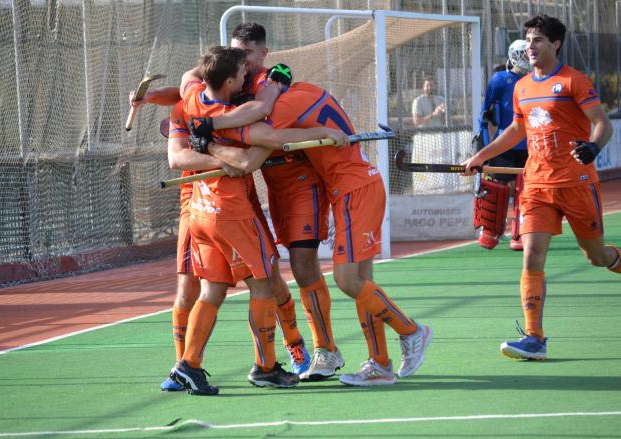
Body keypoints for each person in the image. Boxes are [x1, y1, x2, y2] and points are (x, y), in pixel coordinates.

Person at [195, 81, 433, 386]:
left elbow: (248, 158)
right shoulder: (301, 91)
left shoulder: (278, 108)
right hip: (350, 188)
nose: (261, 105)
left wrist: (210, 135)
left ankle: (412, 332)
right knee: (362, 281)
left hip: (354, 190)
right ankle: (380, 364)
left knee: (347, 279)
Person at [131, 23, 316, 390]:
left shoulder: (192, 94)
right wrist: (225, 152)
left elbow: (193, 91)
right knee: (264, 282)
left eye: (248, 56)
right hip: (226, 209)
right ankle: (265, 367)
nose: (245, 64)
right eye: (238, 59)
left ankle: (189, 365)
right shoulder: (238, 106)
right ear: (229, 78)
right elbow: (213, 158)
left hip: (208, 207)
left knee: (214, 289)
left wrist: (209, 143)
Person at [462, 14, 620, 361]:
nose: (530, 47)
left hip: (576, 183)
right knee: (532, 257)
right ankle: (534, 338)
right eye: (528, 40)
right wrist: (481, 156)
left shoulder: (573, 81)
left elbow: (602, 124)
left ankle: (613, 259)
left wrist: (593, 147)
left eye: (538, 41)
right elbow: (516, 132)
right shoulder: (521, 87)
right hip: (535, 184)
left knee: (597, 257)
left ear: (556, 44)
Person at [475, 39, 532, 251]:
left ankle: (519, 233)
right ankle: (490, 230)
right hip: (505, 143)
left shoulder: (535, 80)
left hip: (529, 145)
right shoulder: (500, 79)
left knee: (525, 191)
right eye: (524, 54)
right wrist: (484, 145)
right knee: (496, 187)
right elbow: (484, 113)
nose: (529, 58)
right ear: (515, 55)